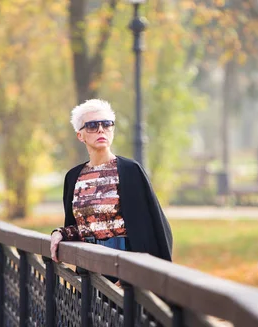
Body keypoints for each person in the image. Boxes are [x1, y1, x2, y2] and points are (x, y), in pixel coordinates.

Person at [49, 99, 173, 286]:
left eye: (106, 124)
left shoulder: (130, 171)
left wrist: (131, 278)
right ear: (80, 136)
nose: (100, 129)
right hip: (89, 273)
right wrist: (61, 233)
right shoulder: (73, 177)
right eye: (91, 125)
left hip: (124, 273)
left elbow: (151, 229)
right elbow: (82, 228)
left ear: (112, 130)